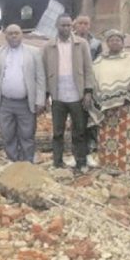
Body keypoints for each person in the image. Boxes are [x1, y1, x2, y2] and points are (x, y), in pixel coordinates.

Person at [42, 14, 94, 173]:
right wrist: (46, 96)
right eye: (62, 25)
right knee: (58, 132)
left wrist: (88, 91)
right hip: (58, 96)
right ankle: (57, 162)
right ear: (56, 26)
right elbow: (44, 71)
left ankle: (80, 162)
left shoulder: (81, 44)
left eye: (68, 25)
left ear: (72, 26)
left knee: (79, 131)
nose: (66, 28)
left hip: (77, 94)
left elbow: (88, 69)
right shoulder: (48, 46)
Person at [0, 24, 45, 163]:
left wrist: (40, 100)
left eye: (16, 33)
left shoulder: (34, 52)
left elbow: (40, 78)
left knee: (27, 135)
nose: (14, 36)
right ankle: (13, 162)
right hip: (5, 103)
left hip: (26, 102)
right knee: (7, 135)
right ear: (5, 36)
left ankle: (27, 163)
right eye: (10, 33)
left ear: (22, 35)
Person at [90, 29, 130, 176]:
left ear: (123, 43)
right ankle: (107, 164)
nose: (115, 42)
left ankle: (126, 165)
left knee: (125, 135)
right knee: (107, 136)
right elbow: (95, 80)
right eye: (111, 40)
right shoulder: (99, 61)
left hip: (125, 105)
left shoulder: (129, 59)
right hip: (105, 107)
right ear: (107, 43)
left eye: (118, 40)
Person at [74, 15, 102, 156]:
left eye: (86, 23)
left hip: (92, 83)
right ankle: (78, 149)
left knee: (92, 114)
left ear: (89, 25)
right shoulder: (69, 41)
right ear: (75, 25)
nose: (83, 26)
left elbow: (99, 63)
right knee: (76, 117)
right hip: (74, 84)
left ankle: (92, 146)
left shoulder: (96, 43)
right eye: (80, 23)